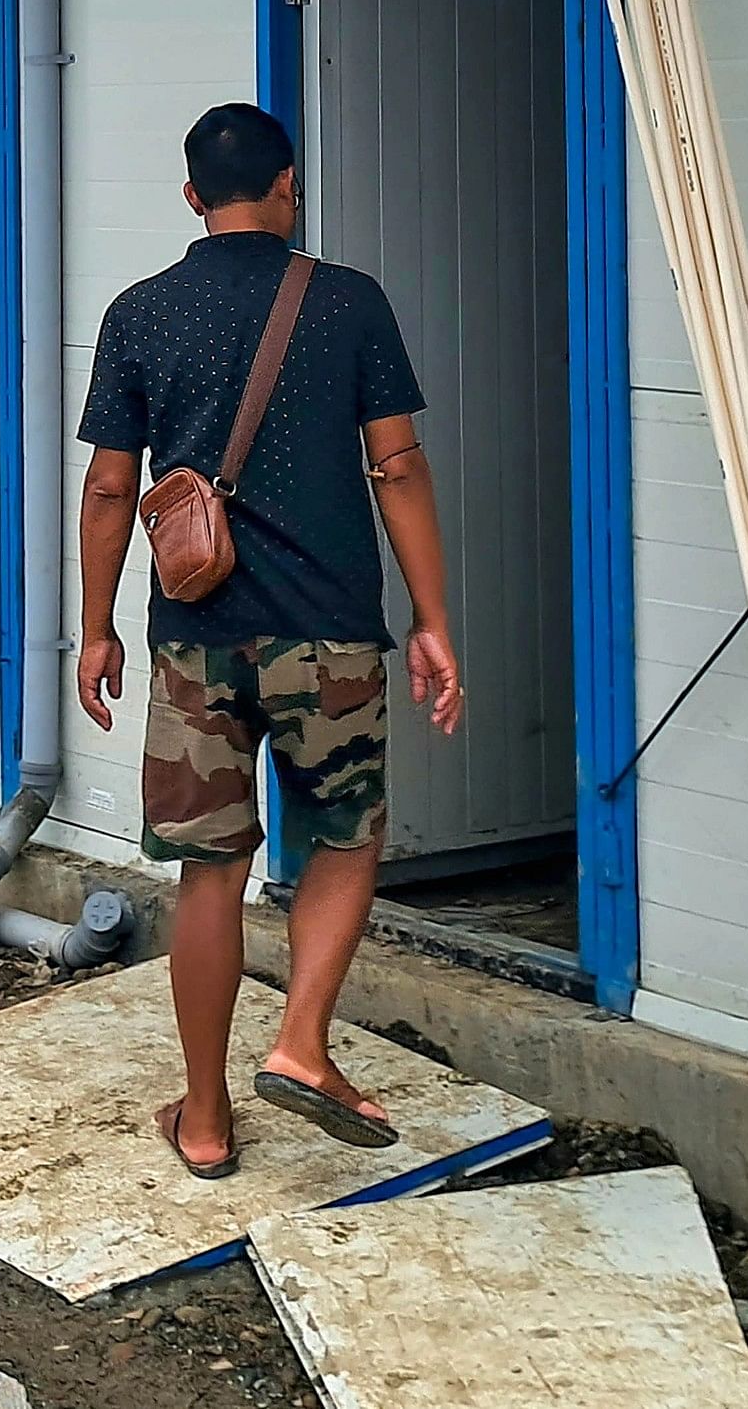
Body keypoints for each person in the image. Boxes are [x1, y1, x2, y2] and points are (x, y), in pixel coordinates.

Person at [73, 103, 463, 1179]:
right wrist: (429, 617)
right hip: (328, 630)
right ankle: (298, 1042)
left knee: (208, 872)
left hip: (194, 638)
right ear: (287, 186)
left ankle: (202, 1118)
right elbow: (396, 465)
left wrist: (96, 626)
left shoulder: (139, 312)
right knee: (341, 836)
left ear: (191, 197)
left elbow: (111, 485)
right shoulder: (347, 303)